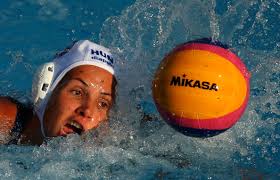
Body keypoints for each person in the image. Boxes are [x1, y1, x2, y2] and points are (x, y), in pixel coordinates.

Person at [0, 40, 117, 145]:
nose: (87, 111)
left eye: (103, 103)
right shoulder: (6, 121)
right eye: (77, 92)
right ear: (45, 88)